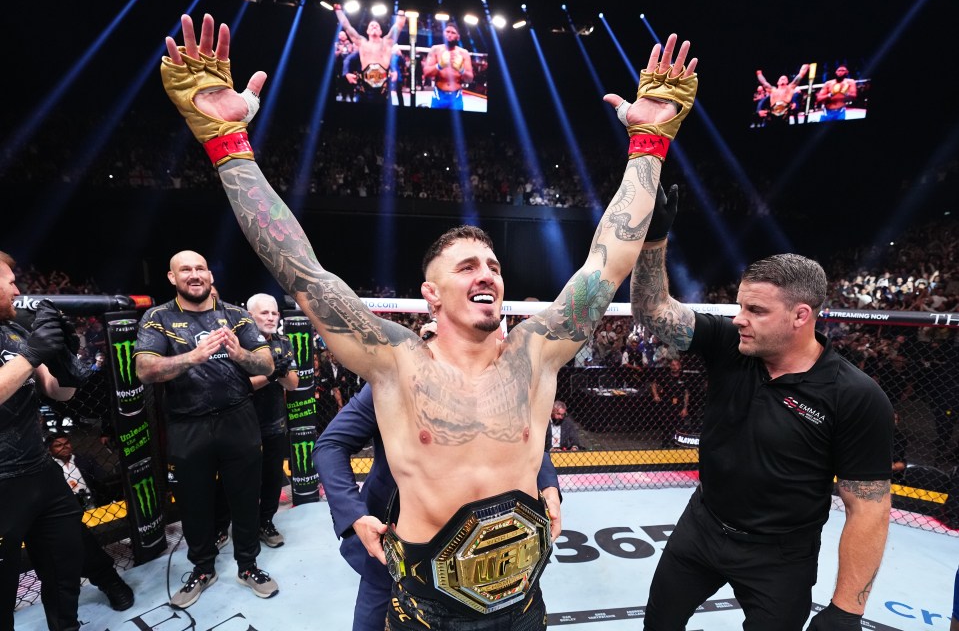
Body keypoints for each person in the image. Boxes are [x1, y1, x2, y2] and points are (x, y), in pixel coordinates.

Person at [160, 14, 698, 628]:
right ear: (431, 295)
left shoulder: (537, 350)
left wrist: (650, 146)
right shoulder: (395, 360)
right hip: (425, 608)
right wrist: (227, 143)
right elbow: (302, 273)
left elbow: (607, 263)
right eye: (466, 267)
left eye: (493, 265)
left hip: (523, 605)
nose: (487, 274)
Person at [629, 193, 895, 628]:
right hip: (703, 526)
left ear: (800, 316)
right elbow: (653, 311)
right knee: (658, 624)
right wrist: (653, 240)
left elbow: (868, 508)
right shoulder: (730, 346)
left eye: (755, 310)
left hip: (781, 556)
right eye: (740, 306)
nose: (739, 318)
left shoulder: (855, 395)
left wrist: (848, 608)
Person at [315, 381, 564, 631]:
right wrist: (356, 516)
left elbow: (532, 444)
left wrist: (550, 491)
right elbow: (331, 445)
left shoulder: (508, 376)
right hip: (400, 554)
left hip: (496, 563)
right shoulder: (399, 375)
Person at [133, 250, 277, 609]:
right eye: (185, 269)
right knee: (195, 504)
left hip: (238, 419)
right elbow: (145, 370)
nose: (194, 274)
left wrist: (239, 354)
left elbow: (268, 364)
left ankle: (248, 566)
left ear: (209, 275)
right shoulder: (158, 317)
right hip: (188, 424)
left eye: (200, 268)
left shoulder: (236, 315)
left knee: (245, 498)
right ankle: (202, 569)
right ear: (172, 277)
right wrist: (192, 357)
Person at [0, 250, 84, 631]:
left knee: (64, 568)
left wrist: (64, 356)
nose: (17, 288)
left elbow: (56, 390)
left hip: (39, 472)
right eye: (9, 281)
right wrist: (35, 351)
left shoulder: (15, 331)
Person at [46, 435, 135, 612]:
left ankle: (108, 580)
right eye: (58, 445)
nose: (64, 448)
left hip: (91, 503)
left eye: (66, 443)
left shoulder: (84, 459)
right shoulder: (50, 468)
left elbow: (102, 481)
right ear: (50, 450)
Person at [246, 293, 299, 547]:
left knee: (272, 478)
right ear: (250, 315)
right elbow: (242, 387)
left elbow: (294, 382)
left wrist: (278, 373)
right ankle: (232, 527)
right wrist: (273, 372)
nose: (270, 317)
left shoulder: (283, 342)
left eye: (274, 313)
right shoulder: (239, 344)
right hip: (243, 425)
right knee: (240, 478)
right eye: (264, 313)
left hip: (275, 423)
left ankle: (266, 522)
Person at [333, 4, 406, 104]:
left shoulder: (387, 42)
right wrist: (338, 10)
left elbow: (399, 25)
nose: (374, 26)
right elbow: (346, 25)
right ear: (367, 30)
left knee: (381, 118)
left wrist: (401, 9)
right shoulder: (362, 42)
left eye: (377, 26)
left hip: (383, 90)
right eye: (371, 25)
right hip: (364, 89)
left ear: (381, 31)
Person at [422, 24, 475, 110]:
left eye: (453, 33)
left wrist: (461, 70)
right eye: (447, 32)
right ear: (443, 33)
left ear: (458, 37)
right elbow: (426, 73)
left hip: (456, 97)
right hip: (438, 95)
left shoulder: (464, 53)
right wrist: (439, 66)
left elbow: (470, 79)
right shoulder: (435, 50)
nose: (449, 35)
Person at [650, 357, 689, 448]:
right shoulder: (665, 376)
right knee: (666, 425)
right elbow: (653, 384)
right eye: (672, 365)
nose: (675, 367)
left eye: (676, 365)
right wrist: (655, 395)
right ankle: (665, 444)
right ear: (670, 366)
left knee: (678, 425)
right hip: (666, 404)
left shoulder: (684, 377)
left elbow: (686, 394)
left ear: (680, 366)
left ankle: (677, 444)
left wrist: (685, 408)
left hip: (679, 405)